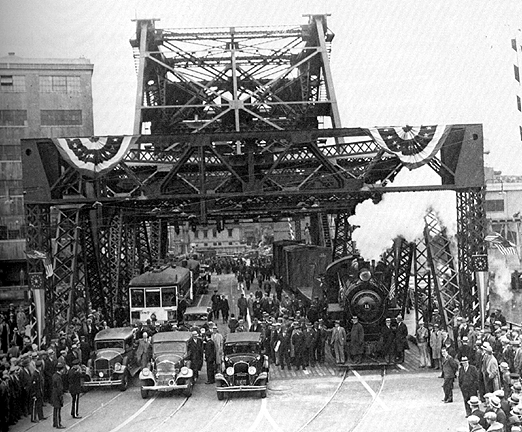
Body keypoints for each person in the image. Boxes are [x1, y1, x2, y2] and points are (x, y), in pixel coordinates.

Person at [52, 362, 66, 429]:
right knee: (58, 409)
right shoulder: (58, 378)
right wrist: (61, 396)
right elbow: (59, 388)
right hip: (57, 395)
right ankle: (58, 424)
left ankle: (55, 422)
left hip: (54, 394)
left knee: (55, 409)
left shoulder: (54, 375)